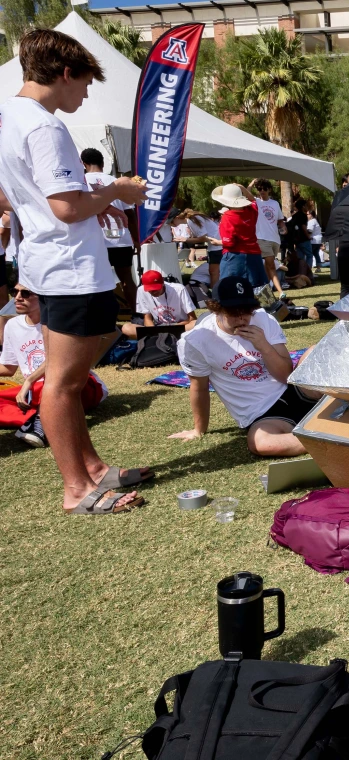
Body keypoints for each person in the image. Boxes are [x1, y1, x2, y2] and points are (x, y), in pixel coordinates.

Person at [0, 28, 153, 514]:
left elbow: (29, 198)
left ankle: (92, 469)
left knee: (72, 373)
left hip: (51, 260)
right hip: (68, 267)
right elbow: (66, 207)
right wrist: (117, 192)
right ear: (65, 73)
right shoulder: (44, 126)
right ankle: (77, 490)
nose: (86, 94)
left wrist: (91, 202)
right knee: (65, 384)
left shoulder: (11, 117)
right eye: (85, 83)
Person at [171, 276, 317, 457]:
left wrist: (264, 346)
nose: (242, 318)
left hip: (294, 391)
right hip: (263, 414)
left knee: (316, 352)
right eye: (233, 312)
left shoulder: (263, 319)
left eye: (247, 311)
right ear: (216, 309)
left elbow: (286, 375)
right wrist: (198, 429)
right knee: (261, 443)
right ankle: (329, 438)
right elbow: (199, 387)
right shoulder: (195, 341)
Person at [0, 283, 107, 447]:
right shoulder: (12, 326)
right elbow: (8, 368)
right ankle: (37, 418)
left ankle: (43, 419)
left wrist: (29, 380)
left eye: (26, 293)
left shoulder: (60, 323)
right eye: (15, 292)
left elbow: (60, 359)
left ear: (43, 297)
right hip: (35, 392)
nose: (18, 297)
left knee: (53, 387)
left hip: (78, 384)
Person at [80, 148, 138, 311]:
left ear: (83, 164)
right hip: (121, 238)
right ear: (103, 163)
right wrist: (136, 239)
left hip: (95, 240)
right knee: (127, 278)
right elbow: (130, 214)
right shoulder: (117, 181)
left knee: (95, 280)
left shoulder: (81, 182)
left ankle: (102, 316)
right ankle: (135, 314)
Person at [211, 183, 268, 290]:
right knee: (259, 287)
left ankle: (234, 306)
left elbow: (230, 243)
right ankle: (267, 305)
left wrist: (216, 242)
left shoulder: (227, 217)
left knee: (230, 286)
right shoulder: (251, 211)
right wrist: (243, 188)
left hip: (234, 255)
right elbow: (253, 201)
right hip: (254, 253)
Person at [121, 270, 197, 339]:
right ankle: (157, 338)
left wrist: (174, 327)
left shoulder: (179, 289)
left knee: (195, 324)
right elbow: (147, 318)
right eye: (150, 290)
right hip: (157, 328)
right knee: (126, 328)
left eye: (156, 288)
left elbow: (192, 318)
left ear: (163, 283)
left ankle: (161, 337)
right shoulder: (141, 290)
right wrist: (153, 330)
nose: (153, 292)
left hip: (179, 326)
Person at [250, 179, 286, 294]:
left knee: (268, 265)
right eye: (259, 189)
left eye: (264, 188)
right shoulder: (255, 202)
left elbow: (280, 220)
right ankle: (280, 291)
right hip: (262, 238)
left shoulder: (275, 203)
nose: (262, 191)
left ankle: (266, 288)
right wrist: (251, 184)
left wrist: (283, 227)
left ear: (269, 189)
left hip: (275, 238)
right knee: (271, 265)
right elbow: (245, 194)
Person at [183, 208, 223, 287]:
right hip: (215, 246)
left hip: (216, 246)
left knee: (214, 272)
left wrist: (186, 239)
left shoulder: (191, 220)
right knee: (214, 271)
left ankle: (215, 294)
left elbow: (203, 238)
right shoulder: (195, 218)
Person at [285, 198, 314, 272]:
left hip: (297, 240)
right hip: (304, 239)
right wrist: (308, 236)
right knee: (309, 255)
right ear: (303, 206)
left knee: (300, 257)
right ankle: (308, 272)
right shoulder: (303, 215)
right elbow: (303, 226)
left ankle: (301, 271)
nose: (307, 207)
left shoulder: (294, 216)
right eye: (306, 205)